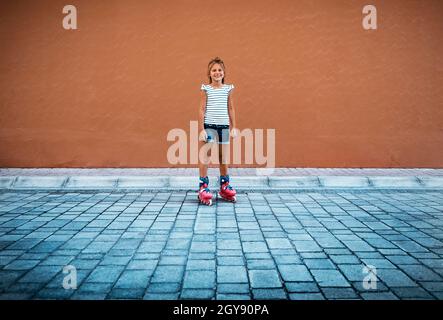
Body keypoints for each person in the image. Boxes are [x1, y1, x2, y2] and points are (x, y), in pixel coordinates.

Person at [198, 57, 238, 206]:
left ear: (224, 72)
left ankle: (224, 185)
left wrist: (234, 127)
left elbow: (231, 108)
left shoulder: (229, 89)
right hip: (209, 126)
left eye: (219, 70)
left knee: (223, 158)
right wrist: (201, 129)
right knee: (206, 157)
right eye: (214, 70)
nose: (217, 72)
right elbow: (201, 109)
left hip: (224, 127)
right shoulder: (205, 89)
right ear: (209, 73)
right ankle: (203, 187)